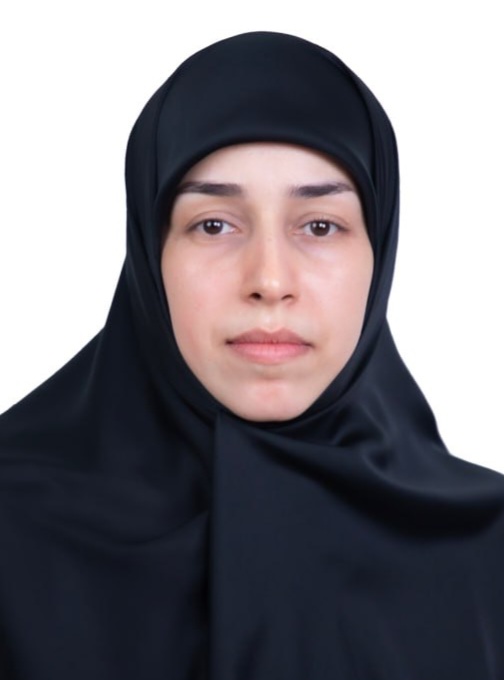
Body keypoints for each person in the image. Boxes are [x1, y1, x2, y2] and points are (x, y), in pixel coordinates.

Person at [0, 31, 503, 680]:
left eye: (320, 225)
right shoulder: (13, 529)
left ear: (378, 250)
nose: (269, 279)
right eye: (214, 224)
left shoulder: (486, 548)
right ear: (150, 252)